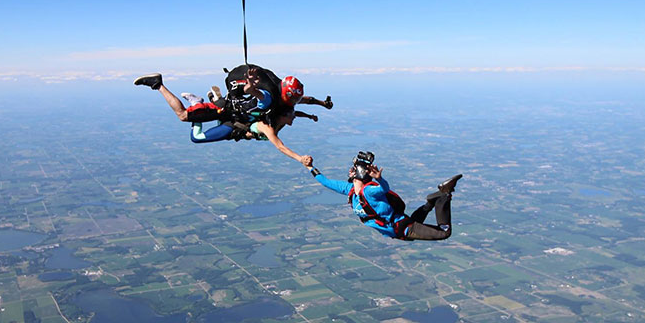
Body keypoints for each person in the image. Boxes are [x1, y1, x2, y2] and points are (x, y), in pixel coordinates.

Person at [134, 71, 313, 166]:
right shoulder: (268, 124)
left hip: (231, 120)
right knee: (185, 119)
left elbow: (301, 106)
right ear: (284, 114)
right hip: (227, 115)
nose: (293, 115)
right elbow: (280, 146)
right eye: (291, 113)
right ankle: (158, 84)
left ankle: (211, 99)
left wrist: (318, 108)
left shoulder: (281, 112)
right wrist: (300, 159)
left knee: (220, 118)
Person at [306, 151, 462, 241]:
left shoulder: (369, 191)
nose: (350, 171)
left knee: (444, 233)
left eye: (353, 169)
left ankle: (443, 195)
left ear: (357, 174)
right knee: (412, 226)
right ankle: (430, 202)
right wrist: (310, 167)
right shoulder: (349, 190)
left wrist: (379, 178)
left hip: (400, 227)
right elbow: (324, 181)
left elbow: (385, 188)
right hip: (398, 226)